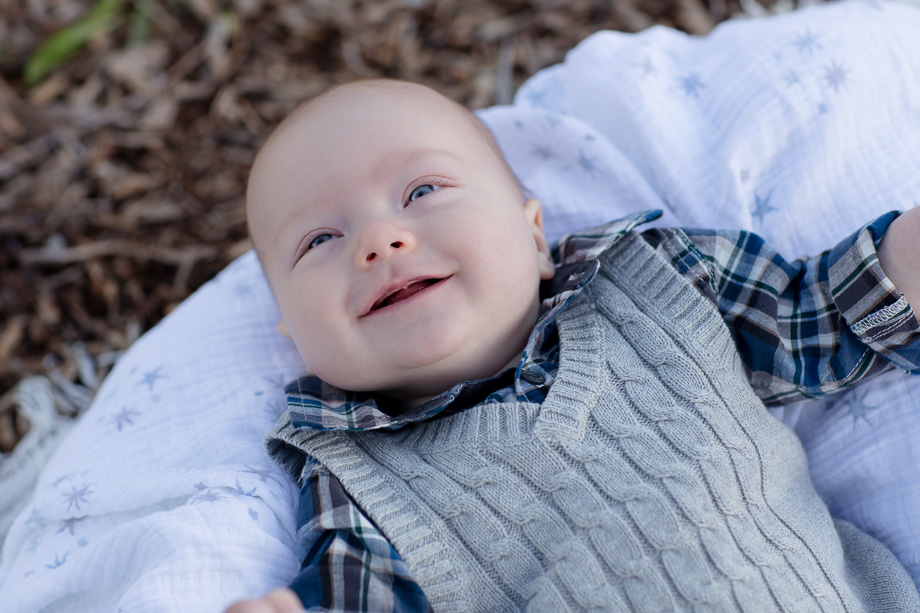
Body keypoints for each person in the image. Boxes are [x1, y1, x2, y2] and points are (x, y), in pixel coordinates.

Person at [228, 78, 920, 613]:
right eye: (320, 239)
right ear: (294, 332)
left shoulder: (655, 281)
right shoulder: (359, 480)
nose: (381, 241)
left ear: (534, 236)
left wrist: (902, 265)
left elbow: (813, 317)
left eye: (422, 190)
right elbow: (363, 593)